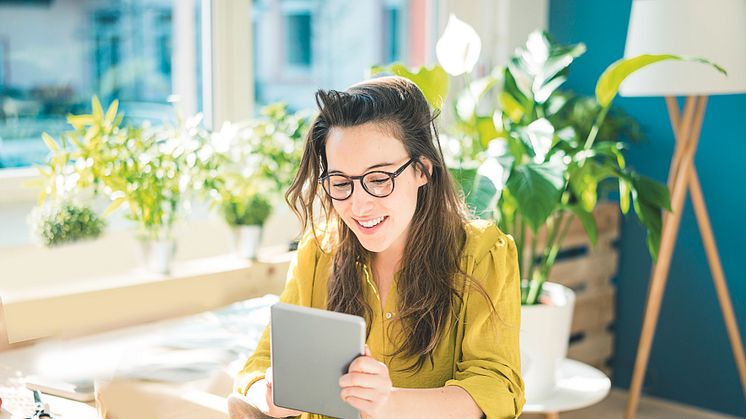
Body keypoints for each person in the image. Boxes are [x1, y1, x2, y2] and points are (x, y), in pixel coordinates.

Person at [228, 76, 524, 419]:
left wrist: (389, 403)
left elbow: (497, 387)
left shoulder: (483, 252)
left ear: (422, 170)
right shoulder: (319, 250)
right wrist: (269, 397)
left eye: (380, 179)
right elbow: (261, 364)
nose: (359, 205)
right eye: (341, 183)